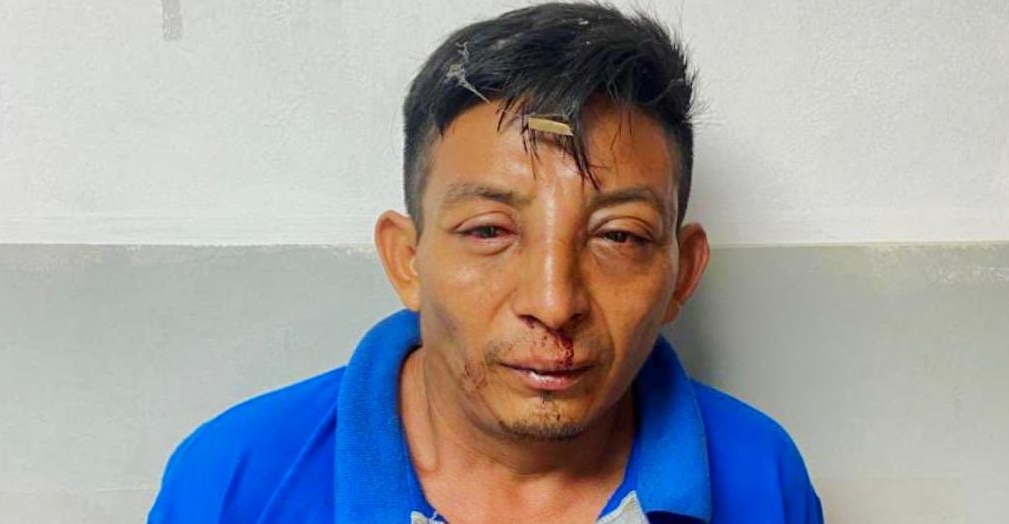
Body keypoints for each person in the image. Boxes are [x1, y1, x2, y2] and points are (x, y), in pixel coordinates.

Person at [148, 3, 823, 523]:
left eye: (617, 236)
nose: (554, 304)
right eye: (489, 231)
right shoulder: (235, 480)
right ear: (406, 259)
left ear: (683, 273)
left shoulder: (758, 477)